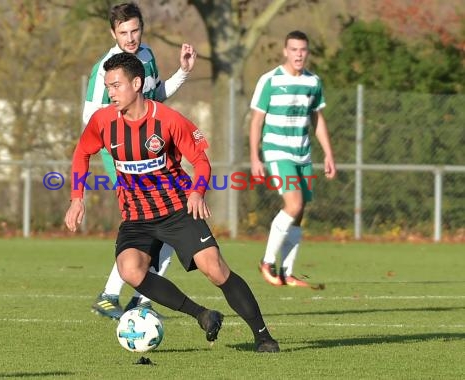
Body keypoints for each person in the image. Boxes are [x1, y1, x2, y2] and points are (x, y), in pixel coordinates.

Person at [66, 52, 280, 353]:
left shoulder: (167, 120)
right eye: (107, 86)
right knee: (130, 270)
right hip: (137, 218)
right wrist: (77, 198)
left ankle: (263, 336)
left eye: (116, 86)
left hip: (177, 210)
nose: (110, 93)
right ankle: (202, 314)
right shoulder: (103, 121)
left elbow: (201, 161)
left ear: (137, 83)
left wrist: (197, 191)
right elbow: (81, 154)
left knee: (215, 269)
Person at [83, 2, 197, 319]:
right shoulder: (105, 68)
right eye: (123, 32)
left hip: (150, 153)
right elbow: (88, 118)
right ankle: (136, 299)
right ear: (113, 33)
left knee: (165, 223)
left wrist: (184, 72)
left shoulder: (146, 56)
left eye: (135, 30)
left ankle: (120, 297)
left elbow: (156, 96)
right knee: (166, 221)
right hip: (121, 156)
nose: (130, 38)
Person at [249, 30, 336, 287]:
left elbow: (317, 119)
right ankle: (267, 261)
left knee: (299, 214)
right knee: (294, 204)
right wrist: (255, 156)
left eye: (303, 50)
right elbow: (257, 120)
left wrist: (329, 154)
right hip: (277, 151)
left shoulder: (313, 82)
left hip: (303, 153)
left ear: (307, 52)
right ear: (285, 51)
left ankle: (286, 272)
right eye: (294, 49)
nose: (299, 54)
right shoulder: (271, 80)